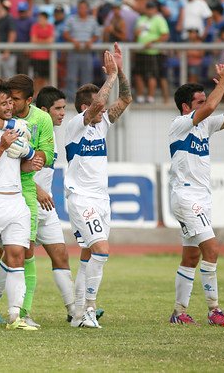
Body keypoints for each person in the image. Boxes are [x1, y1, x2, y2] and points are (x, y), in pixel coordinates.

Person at [0, 73, 53, 328]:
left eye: (12, 102)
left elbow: (31, 156)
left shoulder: (23, 126)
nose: (9, 106)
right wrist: (3, 145)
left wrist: (32, 158)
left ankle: (16, 316)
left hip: (17, 200)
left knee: (18, 255)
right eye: (4, 103)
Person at [168, 58, 224, 327]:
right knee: (211, 248)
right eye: (198, 102)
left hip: (201, 197)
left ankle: (178, 312)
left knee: (191, 256)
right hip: (187, 197)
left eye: (203, 101)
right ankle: (214, 310)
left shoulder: (205, 126)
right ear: (187, 107)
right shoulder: (179, 123)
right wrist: (221, 81)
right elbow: (211, 105)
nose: (206, 105)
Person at [66, 46, 132, 328]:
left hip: (101, 199)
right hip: (81, 198)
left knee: (88, 254)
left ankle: (78, 314)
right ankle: (90, 309)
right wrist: (111, 77)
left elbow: (126, 98)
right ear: (85, 107)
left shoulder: (101, 124)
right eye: (99, 104)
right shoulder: (74, 126)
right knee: (101, 250)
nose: (105, 107)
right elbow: (97, 105)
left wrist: (120, 70)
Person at [32, 86, 75, 323]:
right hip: (25, 203)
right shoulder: (33, 132)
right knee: (5, 259)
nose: (62, 113)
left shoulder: (53, 137)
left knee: (61, 256)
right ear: (43, 110)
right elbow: (19, 168)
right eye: (57, 108)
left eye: (63, 108)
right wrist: (37, 191)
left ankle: (74, 310)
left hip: (46, 208)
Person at [133, 0, 170, 104]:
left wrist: (152, 42)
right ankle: (140, 96)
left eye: (152, 8)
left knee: (151, 75)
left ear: (155, 9)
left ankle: (150, 97)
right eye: (148, 8)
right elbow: (135, 34)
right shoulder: (141, 18)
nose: (149, 10)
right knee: (138, 74)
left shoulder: (159, 20)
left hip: (153, 52)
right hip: (140, 51)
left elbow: (165, 35)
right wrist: (136, 35)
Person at [63, 0, 100, 99]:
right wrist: (73, 40)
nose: (82, 10)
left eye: (84, 8)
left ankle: (87, 99)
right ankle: (71, 99)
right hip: (74, 52)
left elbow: (97, 34)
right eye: (80, 8)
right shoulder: (71, 19)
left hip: (87, 52)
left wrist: (91, 41)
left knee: (87, 77)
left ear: (88, 9)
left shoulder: (92, 20)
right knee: (71, 77)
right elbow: (65, 33)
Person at [29, 11, 54, 91]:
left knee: (45, 78)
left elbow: (51, 40)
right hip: (36, 57)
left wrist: (39, 40)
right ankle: (35, 96)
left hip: (47, 57)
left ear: (46, 19)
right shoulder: (35, 26)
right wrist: (45, 41)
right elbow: (33, 39)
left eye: (42, 18)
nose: (40, 20)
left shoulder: (50, 27)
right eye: (39, 18)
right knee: (37, 78)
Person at [0, 0, 17, 78]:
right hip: (0, 52)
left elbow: (12, 34)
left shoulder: (9, 18)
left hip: (8, 54)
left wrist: (7, 50)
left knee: (9, 78)